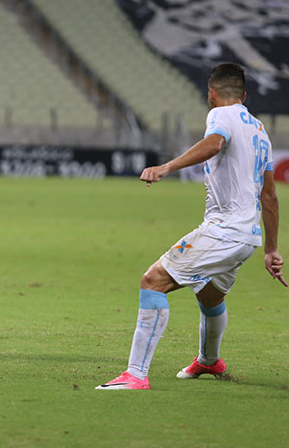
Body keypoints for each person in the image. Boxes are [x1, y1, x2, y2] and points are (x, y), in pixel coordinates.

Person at [96, 63, 285, 390]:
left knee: (152, 281)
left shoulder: (220, 116)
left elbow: (213, 144)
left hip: (224, 230)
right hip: (247, 237)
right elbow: (269, 196)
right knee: (210, 296)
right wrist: (271, 249)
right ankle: (209, 361)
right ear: (245, 95)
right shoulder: (260, 131)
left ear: (212, 94)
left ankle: (135, 375)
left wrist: (166, 166)